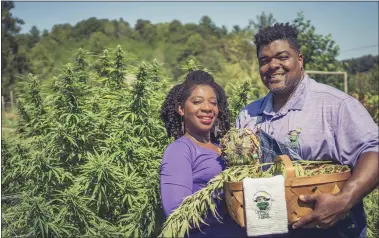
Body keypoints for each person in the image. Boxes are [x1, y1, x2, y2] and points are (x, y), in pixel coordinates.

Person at [236, 23, 379, 238]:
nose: (273, 65)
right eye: (264, 61)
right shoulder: (248, 115)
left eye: (282, 57)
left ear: (300, 60)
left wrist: (344, 199)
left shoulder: (335, 105)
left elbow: (374, 150)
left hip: (330, 229)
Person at [160, 70, 246, 237]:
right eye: (197, 102)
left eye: (213, 103)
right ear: (181, 109)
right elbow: (177, 214)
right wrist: (229, 199)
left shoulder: (224, 148)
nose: (207, 108)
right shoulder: (179, 150)